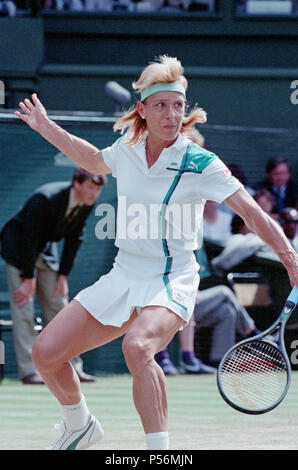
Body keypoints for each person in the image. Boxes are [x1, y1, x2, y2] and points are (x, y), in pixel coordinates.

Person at [14, 55, 297, 451]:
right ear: (143, 110)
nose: (171, 114)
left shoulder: (201, 163)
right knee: (45, 353)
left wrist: (290, 256)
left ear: (185, 111)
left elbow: (251, 211)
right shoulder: (128, 149)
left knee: (138, 347)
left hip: (174, 278)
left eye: (178, 105)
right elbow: (91, 158)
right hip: (124, 274)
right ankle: (79, 425)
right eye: (161, 105)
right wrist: (45, 126)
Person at [0, 167, 106, 384]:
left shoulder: (87, 203)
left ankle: (74, 367)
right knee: (24, 306)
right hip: (20, 251)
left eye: (97, 189)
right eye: (89, 187)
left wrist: (63, 276)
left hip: (46, 252)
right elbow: (29, 238)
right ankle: (30, 371)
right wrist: (28, 278)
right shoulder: (46, 198)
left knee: (59, 304)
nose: (93, 193)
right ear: (76, 183)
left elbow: (75, 238)